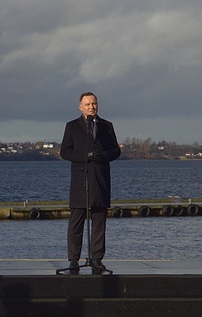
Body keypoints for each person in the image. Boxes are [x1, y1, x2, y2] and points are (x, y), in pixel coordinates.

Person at [60, 91, 121, 273]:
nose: (91, 107)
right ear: (80, 107)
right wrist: (85, 156)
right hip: (81, 181)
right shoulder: (72, 127)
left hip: (101, 179)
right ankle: (73, 259)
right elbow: (65, 152)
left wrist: (104, 155)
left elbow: (116, 151)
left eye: (94, 104)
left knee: (99, 222)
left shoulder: (107, 126)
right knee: (76, 222)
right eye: (87, 104)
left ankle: (97, 258)